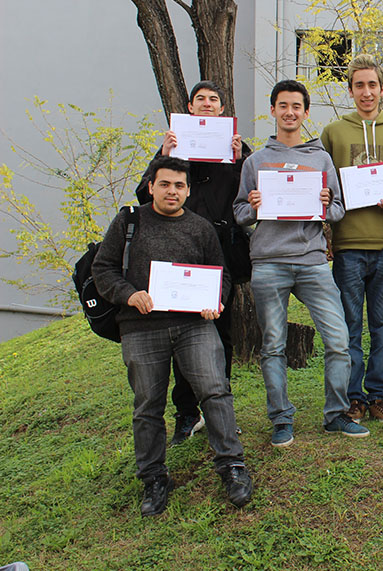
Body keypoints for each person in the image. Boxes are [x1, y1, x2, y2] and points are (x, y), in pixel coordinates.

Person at [93, 157, 252, 516]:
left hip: (194, 325)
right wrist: (128, 294)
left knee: (215, 390)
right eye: (165, 184)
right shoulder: (129, 221)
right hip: (141, 327)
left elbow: (220, 273)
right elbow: (102, 268)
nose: (172, 191)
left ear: (188, 190)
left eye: (179, 186)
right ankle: (153, 478)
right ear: (151, 186)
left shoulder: (199, 228)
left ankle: (232, 466)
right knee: (148, 405)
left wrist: (215, 302)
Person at [234, 80, 369, 446]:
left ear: (305, 112)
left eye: (296, 106)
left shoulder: (321, 159)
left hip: (311, 262)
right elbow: (239, 212)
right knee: (274, 345)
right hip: (269, 263)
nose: (290, 112)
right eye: (283, 106)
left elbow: (339, 210)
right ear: (273, 110)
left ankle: (336, 415)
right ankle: (281, 419)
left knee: (339, 340)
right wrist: (254, 207)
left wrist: (325, 204)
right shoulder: (256, 161)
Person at [136, 80, 252, 446]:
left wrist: (241, 158)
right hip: (178, 250)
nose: (207, 104)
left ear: (221, 108)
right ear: (190, 107)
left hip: (221, 250)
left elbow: (252, 196)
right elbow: (143, 195)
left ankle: (221, 410)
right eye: (200, 99)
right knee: (179, 331)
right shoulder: (173, 147)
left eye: (213, 100)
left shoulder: (236, 148)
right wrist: (164, 151)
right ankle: (187, 413)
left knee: (221, 331)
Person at [320, 54, 383, 426]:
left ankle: (379, 395)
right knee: (349, 327)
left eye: (372, 85)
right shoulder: (334, 132)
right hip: (347, 246)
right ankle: (353, 398)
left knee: (382, 325)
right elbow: (324, 184)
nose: (366, 92)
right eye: (359, 85)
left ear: (382, 88)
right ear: (350, 89)